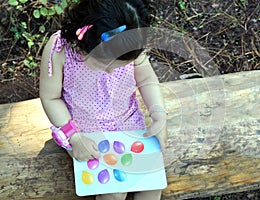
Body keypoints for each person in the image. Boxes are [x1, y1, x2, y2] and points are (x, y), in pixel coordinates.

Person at [39, 0, 168, 199]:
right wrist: (74, 137)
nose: (110, 71)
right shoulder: (60, 50)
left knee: (152, 182)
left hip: (128, 122)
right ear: (85, 41)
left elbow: (147, 79)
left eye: (119, 66)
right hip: (82, 131)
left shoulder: (131, 44)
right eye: (104, 64)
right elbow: (51, 98)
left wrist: (159, 115)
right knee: (114, 193)